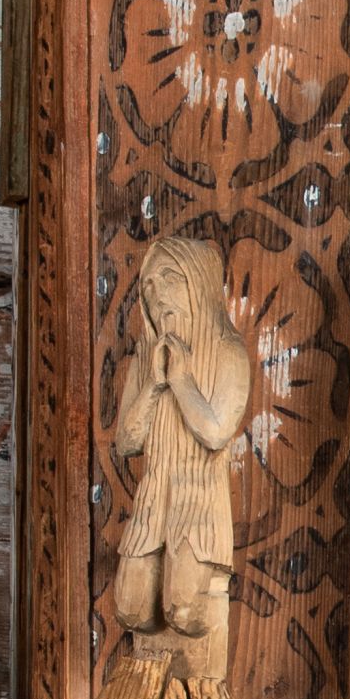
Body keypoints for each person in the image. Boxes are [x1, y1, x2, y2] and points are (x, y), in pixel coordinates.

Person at [111, 231, 249, 646]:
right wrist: (154, 384)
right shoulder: (147, 357)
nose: (158, 295)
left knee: (186, 611)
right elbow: (126, 442)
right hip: (153, 499)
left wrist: (183, 380)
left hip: (198, 503)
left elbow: (216, 433)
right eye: (150, 286)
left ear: (198, 282)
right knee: (131, 609)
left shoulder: (228, 351)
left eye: (170, 278)